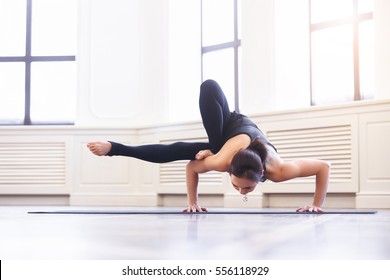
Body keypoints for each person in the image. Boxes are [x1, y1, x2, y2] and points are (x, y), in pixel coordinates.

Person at [87, 79, 330, 213]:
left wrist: (316, 205)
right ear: (230, 170)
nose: (241, 192)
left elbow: (323, 166)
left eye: (246, 189)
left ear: (262, 174)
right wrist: (192, 201)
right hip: (228, 128)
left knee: (185, 149)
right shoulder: (223, 161)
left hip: (233, 139)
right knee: (206, 92)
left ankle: (115, 147)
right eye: (238, 186)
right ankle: (115, 147)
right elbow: (192, 167)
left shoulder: (279, 169)